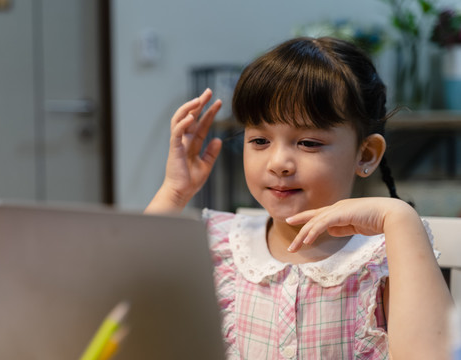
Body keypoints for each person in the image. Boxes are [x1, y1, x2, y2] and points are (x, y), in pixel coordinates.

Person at [145, 37, 453, 359]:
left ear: (366, 154)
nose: (278, 163)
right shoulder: (222, 244)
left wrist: (399, 218)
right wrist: (175, 191)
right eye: (260, 140)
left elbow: (435, 353)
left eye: (307, 143)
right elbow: (130, 288)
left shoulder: (383, 259)